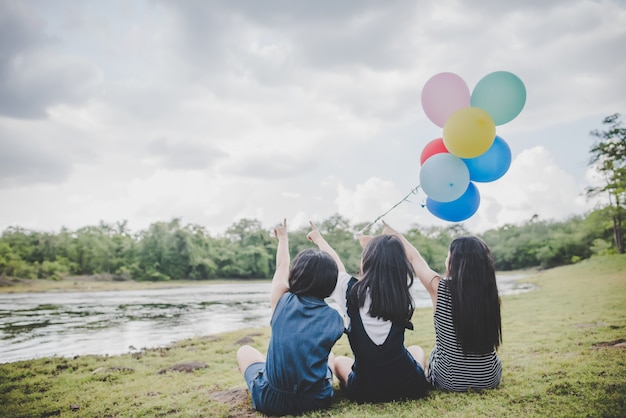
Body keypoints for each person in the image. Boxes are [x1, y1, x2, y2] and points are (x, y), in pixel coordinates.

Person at [307, 221, 430, 403]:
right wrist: (381, 242)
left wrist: (319, 239)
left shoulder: (349, 291)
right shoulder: (403, 289)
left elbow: (336, 266)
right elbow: (405, 259)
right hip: (410, 385)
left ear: (366, 260)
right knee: (416, 351)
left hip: (366, 391)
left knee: (341, 361)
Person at [236, 219, 345, 416]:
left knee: (245, 350)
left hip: (271, 400)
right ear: (332, 281)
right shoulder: (335, 319)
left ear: (296, 274)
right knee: (328, 356)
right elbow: (340, 273)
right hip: (316, 399)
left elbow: (281, 267)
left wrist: (283, 239)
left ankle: (265, 372)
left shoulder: (281, 299)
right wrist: (320, 240)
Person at [384, 222, 502, 391]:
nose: (446, 259)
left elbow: (414, 258)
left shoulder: (440, 288)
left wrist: (394, 233)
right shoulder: (490, 294)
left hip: (449, 380)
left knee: (428, 354)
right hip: (489, 378)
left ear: (455, 262)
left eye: (448, 256)